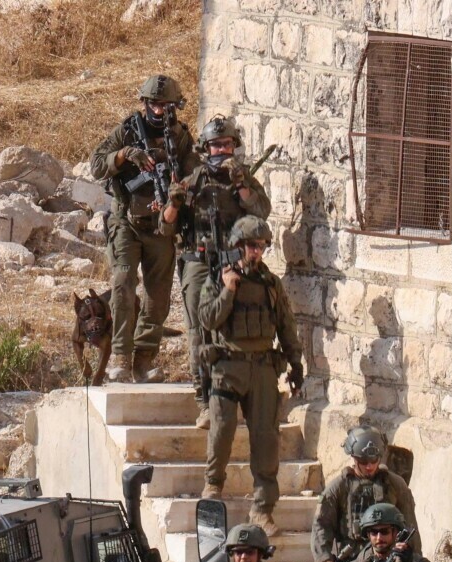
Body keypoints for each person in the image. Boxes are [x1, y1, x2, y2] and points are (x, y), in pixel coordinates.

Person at [190, 216, 304, 537]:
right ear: (238, 246)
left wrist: (296, 365)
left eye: (263, 246)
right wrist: (228, 290)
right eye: (253, 246)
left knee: (266, 439)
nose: (258, 252)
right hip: (228, 367)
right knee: (222, 430)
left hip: (264, 369)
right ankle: (213, 484)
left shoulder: (271, 284)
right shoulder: (218, 280)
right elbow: (207, 319)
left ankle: (263, 508)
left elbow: (286, 326)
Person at [162, 115, 271, 432]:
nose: (221, 150)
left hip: (235, 262)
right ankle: (204, 400)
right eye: (215, 145)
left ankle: (236, 397)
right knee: (198, 329)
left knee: (238, 329)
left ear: (234, 146)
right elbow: (166, 226)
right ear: (205, 149)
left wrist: (241, 185)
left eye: (226, 144)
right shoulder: (193, 179)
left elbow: (261, 211)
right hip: (199, 261)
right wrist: (173, 201)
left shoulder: (244, 178)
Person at [89, 74, 197, 384]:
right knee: (123, 282)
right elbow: (96, 164)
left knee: (158, 294)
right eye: (153, 104)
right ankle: (120, 356)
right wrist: (124, 155)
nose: (159, 111)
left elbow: (194, 171)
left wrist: (179, 189)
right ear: (145, 103)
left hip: (162, 225)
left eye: (165, 105)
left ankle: (144, 357)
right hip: (127, 222)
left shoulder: (180, 137)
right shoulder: (126, 130)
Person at [312, 426, 416, 562]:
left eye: (374, 460)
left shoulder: (395, 484)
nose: (369, 466)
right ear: (354, 458)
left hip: (389, 561)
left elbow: (410, 526)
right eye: (363, 461)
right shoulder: (339, 487)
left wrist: (411, 558)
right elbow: (321, 526)